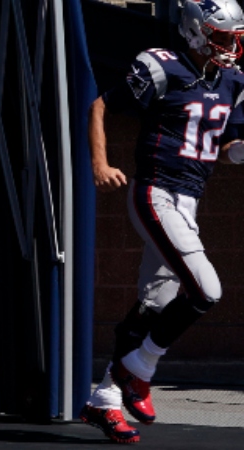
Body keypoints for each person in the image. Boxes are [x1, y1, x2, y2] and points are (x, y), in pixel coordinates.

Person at [81, 0, 244, 444]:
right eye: (222, 37)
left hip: (188, 201)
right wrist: (100, 161)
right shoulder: (162, 67)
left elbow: (227, 146)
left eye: (235, 37)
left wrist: (240, 150)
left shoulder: (232, 80)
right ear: (194, 32)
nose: (231, 47)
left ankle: (104, 400)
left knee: (153, 305)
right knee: (206, 290)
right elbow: (101, 105)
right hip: (156, 192)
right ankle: (139, 370)